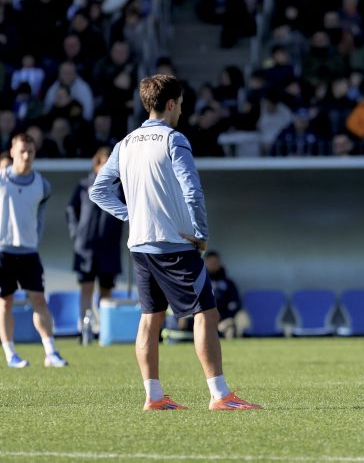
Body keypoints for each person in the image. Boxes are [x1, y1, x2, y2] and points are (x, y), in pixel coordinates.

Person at [89, 75, 261, 411]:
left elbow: (99, 190)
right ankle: (220, 395)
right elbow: (192, 190)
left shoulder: (125, 143)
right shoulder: (174, 139)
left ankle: (154, 397)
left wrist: (132, 216)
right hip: (175, 244)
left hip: (140, 246)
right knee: (206, 313)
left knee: (149, 318)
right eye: (180, 104)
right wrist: (201, 234)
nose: (181, 110)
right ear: (170, 104)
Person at [0, 134, 68, 368]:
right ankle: (10, 354)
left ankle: (51, 352)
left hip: (29, 252)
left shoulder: (42, 185)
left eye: (30, 151)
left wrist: (34, 240)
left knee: (39, 299)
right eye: (22, 151)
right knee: (5, 302)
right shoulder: (1, 179)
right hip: (3, 251)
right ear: (12, 152)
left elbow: (39, 217)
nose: (26, 156)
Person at [67, 146, 124, 331]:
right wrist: (76, 233)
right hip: (86, 247)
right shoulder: (84, 186)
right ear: (96, 165)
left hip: (109, 247)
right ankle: (85, 329)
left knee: (106, 289)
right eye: (104, 164)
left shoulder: (120, 188)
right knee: (87, 287)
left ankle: (105, 329)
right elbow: (71, 210)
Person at [203, 251, 248, 339]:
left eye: (215, 262)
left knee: (241, 318)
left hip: (224, 318)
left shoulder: (228, 283)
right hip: (205, 318)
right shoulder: (200, 282)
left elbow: (235, 303)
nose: (213, 264)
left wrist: (222, 316)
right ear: (206, 263)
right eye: (211, 262)